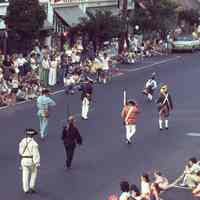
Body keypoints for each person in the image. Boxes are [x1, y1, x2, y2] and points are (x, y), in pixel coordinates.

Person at [19, 128, 40, 194]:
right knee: (34, 173)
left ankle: (26, 189)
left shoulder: (22, 141)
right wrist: (37, 163)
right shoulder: (34, 143)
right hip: (31, 160)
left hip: (23, 160)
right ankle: (32, 186)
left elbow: (20, 152)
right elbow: (36, 154)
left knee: (25, 175)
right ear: (33, 135)